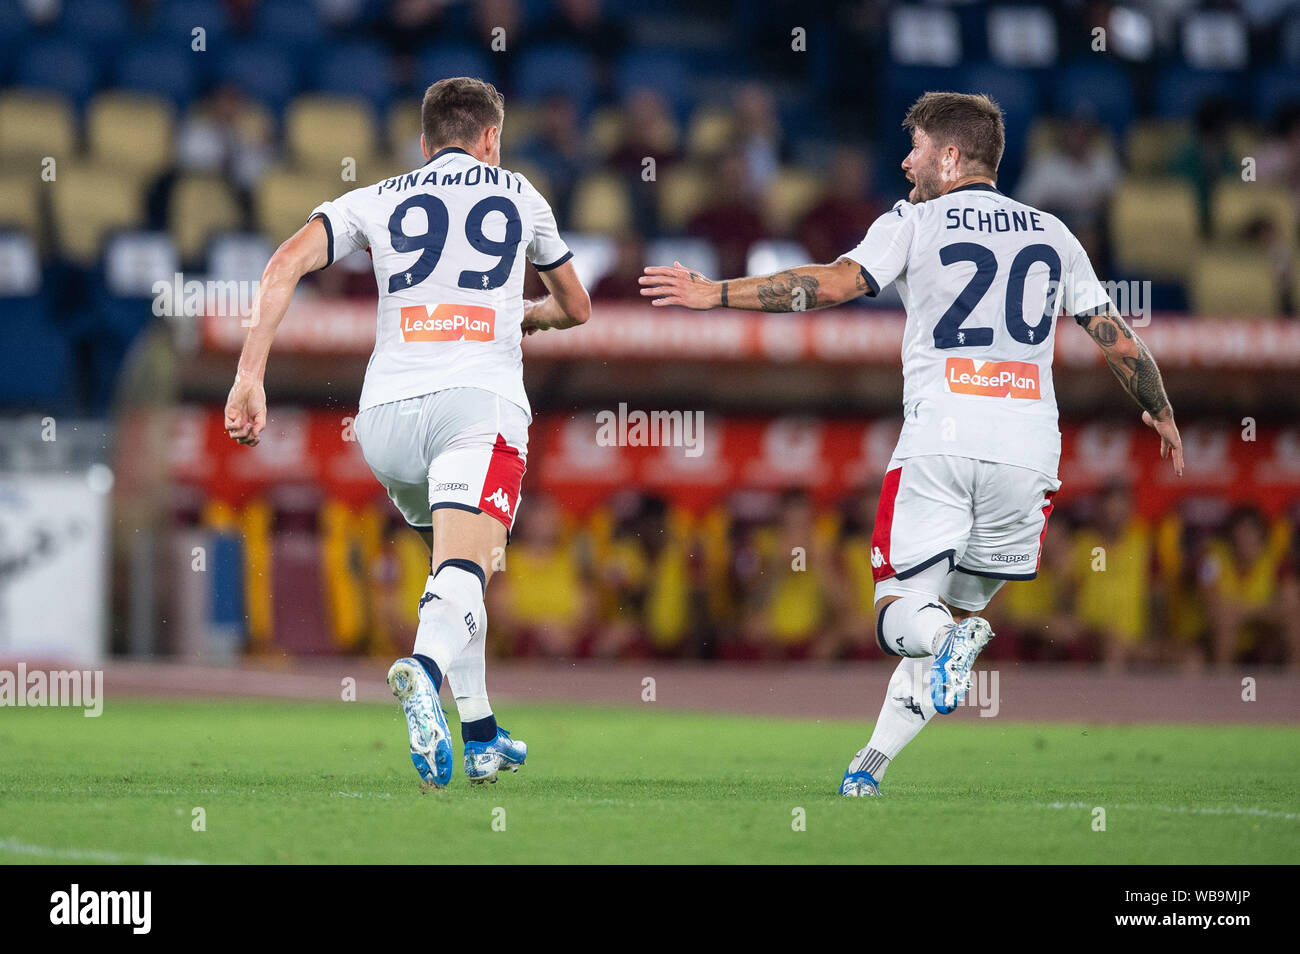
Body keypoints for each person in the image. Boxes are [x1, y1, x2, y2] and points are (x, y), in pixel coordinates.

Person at [640, 91, 1184, 796]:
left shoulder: (914, 220)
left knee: (900, 612)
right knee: (949, 615)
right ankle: (871, 765)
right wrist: (1161, 410)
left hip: (943, 441)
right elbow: (1113, 334)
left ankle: (940, 650)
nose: (906, 161)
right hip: (1030, 454)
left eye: (918, 148)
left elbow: (833, 283)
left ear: (951, 158)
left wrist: (717, 295)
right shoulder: (1054, 233)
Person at [224, 77, 592, 789]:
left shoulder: (377, 197)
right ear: (491, 139)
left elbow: (283, 265)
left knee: (456, 571)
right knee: (470, 567)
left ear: (424, 144)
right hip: (477, 408)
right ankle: (421, 671)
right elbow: (576, 305)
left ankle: (481, 733)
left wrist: (249, 376)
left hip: (385, 421)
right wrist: (528, 315)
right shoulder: (520, 193)